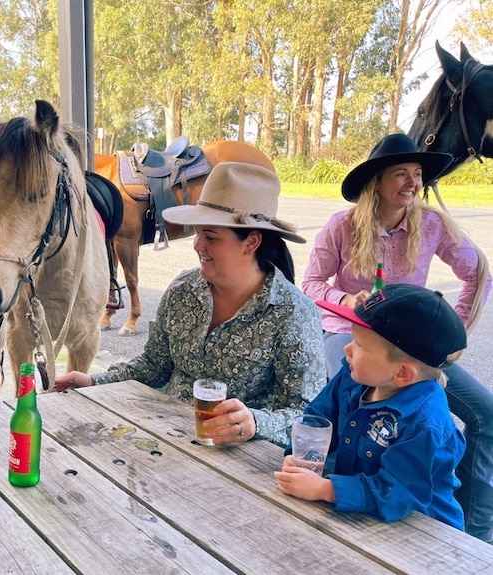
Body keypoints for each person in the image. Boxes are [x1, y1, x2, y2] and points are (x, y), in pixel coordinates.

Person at [302, 132, 493, 543]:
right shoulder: (343, 226)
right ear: (377, 182)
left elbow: (479, 274)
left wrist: (448, 337)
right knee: (350, 393)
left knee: (486, 412)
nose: (412, 183)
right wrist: (345, 298)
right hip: (351, 332)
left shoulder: (433, 225)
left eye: (418, 174)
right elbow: (312, 284)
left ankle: (476, 535)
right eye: (401, 173)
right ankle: (348, 494)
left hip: (412, 350)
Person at [54, 162, 327, 446]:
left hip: (241, 460)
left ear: (251, 242)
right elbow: (153, 366)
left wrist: (255, 423)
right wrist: (95, 382)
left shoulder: (293, 314)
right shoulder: (184, 289)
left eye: (210, 237)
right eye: (197, 233)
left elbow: (306, 416)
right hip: (163, 439)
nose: (197, 245)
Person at [275, 284, 466, 530]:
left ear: (403, 373)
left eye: (360, 345)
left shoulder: (426, 424)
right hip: (362, 516)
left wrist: (325, 488)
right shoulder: (352, 378)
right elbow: (318, 418)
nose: (347, 349)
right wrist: (299, 457)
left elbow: (397, 491)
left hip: (424, 531)